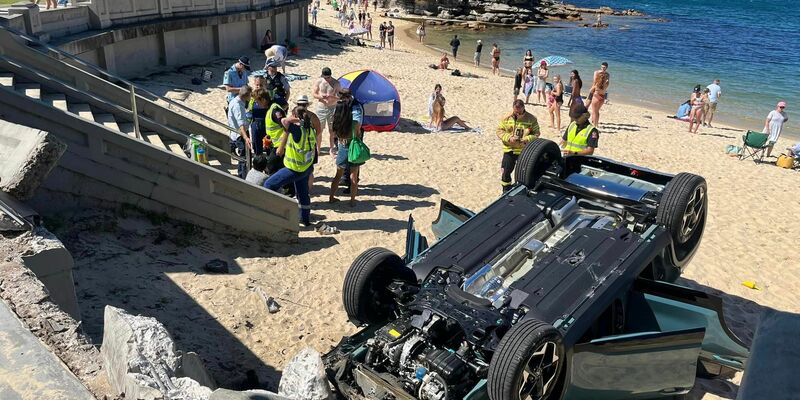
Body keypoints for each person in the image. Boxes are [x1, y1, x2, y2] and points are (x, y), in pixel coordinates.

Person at [263, 106, 317, 227]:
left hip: (294, 168)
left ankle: (277, 212)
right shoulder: (310, 129)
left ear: (296, 118)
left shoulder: (298, 131)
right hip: (306, 167)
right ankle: (305, 219)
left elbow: (284, 121)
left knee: (269, 185)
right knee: (303, 194)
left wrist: (294, 119)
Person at [329, 89, 364, 206]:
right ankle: (352, 201)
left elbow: (334, 133)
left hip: (342, 145)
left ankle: (331, 197)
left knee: (338, 174)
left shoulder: (338, 122)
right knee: (354, 175)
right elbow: (357, 129)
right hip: (352, 145)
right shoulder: (353, 122)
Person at [496, 99, 540, 191]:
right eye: (516, 112)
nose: (518, 114)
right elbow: (499, 131)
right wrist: (509, 137)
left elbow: (537, 133)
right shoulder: (506, 118)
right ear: (513, 108)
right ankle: (505, 190)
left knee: (524, 173)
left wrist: (526, 139)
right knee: (505, 172)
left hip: (524, 150)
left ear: (523, 108)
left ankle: (522, 189)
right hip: (509, 149)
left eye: (519, 112)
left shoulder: (531, 119)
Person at [296, 95, 323, 192]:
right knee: (309, 169)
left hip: (298, 147)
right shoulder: (313, 116)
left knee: (300, 168)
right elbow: (318, 131)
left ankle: (304, 189)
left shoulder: (294, 115)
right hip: (309, 146)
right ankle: (307, 190)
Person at [312, 67, 342, 155]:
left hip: (332, 107)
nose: (326, 79)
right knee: (319, 129)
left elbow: (340, 96)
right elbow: (314, 93)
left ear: (330, 76)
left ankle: (331, 149)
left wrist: (332, 97)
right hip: (321, 107)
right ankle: (318, 149)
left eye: (328, 77)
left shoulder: (336, 83)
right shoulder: (319, 81)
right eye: (325, 77)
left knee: (332, 130)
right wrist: (321, 96)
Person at [228, 85, 253, 178]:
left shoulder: (235, 101)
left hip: (235, 133)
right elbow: (241, 124)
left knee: (243, 157)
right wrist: (246, 137)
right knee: (245, 158)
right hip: (240, 135)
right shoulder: (238, 106)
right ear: (246, 95)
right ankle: (243, 177)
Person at [248, 86, 271, 156]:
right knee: (256, 145)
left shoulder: (271, 103)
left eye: (260, 85)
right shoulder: (252, 101)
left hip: (267, 125)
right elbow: (249, 112)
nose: (258, 87)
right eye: (257, 85)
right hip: (256, 125)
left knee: (269, 145)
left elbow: (285, 104)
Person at [589, 62, 610, 126]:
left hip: (598, 94)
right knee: (595, 111)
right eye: (602, 67)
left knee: (595, 110)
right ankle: (595, 123)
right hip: (600, 94)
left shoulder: (607, 75)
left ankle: (595, 124)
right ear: (600, 67)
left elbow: (595, 83)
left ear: (606, 68)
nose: (603, 68)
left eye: (604, 67)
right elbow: (595, 82)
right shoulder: (597, 72)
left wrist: (591, 90)